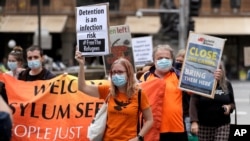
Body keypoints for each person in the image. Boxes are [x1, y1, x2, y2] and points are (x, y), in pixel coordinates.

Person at [140, 44, 222, 141]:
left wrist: (213, 79)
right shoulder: (145, 77)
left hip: (177, 130)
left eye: (167, 58)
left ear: (172, 60)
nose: (164, 60)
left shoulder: (180, 77)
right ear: (154, 60)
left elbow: (200, 90)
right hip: (152, 131)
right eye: (160, 58)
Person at [75, 50, 153, 141]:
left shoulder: (139, 93)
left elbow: (150, 120)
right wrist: (81, 65)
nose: (116, 75)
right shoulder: (108, 90)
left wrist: (138, 137)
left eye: (120, 72)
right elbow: (82, 87)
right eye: (113, 72)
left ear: (128, 74)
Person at [190, 62, 235, 141]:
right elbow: (193, 103)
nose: (216, 71)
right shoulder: (201, 83)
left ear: (222, 71)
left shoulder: (227, 84)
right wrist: (194, 122)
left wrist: (229, 107)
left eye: (218, 69)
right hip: (204, 124)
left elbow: (232, 103)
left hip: (222, 124)